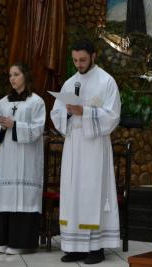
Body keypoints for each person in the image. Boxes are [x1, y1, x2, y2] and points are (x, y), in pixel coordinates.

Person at [50, 39, 121, 264]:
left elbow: (112, 116)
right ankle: (75, 246)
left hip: (95, 147)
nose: (78, 64)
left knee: (93, 193)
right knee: (73, 194)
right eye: (75, 60)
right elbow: (56, 113)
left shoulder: (107, 81)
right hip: (73, 146)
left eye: (82, 60)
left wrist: (85, 112)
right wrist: (69, 114)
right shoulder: (70, 83)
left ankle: (96, 248)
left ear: (93, 56)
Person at [0, 62, 46, 255]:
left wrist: (15, 125)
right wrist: (2, 126)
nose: (12, 78)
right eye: (10, 75)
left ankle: (22, 243)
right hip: (8, 158)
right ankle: (4, 240)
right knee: (6, 197)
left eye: (16, 74)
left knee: (24, 198)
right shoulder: (3, 102)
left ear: (25, 76)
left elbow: (38, 129)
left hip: (27, 159)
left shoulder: (36, 102)